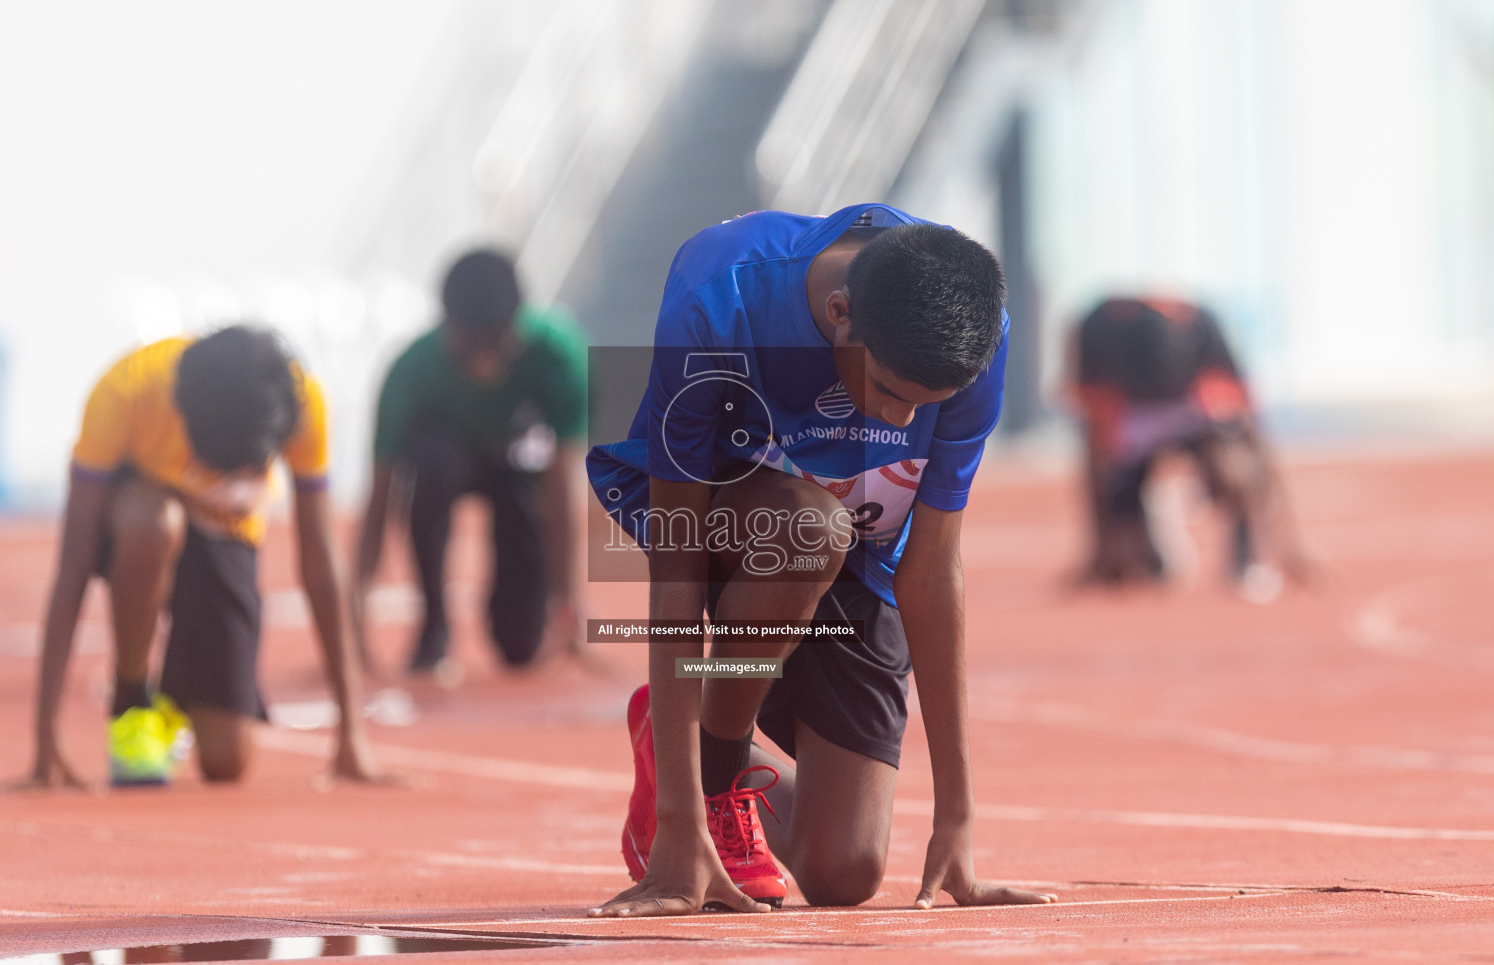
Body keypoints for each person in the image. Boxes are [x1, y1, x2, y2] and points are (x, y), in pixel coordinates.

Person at [586, 204, 1057, 915]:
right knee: (812, 527)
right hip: (729, 514)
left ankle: (675, 737)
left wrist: (956, 822)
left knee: (845, 873)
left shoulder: (972, 341)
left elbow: (930, 571)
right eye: (892, 392)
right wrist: (681, 825)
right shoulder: (721, 299)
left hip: (861, 543)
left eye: (925, 407)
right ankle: (710, 790)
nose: (900, 424)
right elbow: (677, 565)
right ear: (840, 312)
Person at [29, 325, 382, 787]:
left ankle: (174, 701)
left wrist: (351, 733)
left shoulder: (300, 403)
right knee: (153, 524)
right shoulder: (126, 392)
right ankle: (131, 700)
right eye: (219, 466)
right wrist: (45, 741)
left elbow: (320, 559)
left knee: (227, 762)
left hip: (226, 532)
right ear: (184, 419)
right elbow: (73, 563)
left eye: (248, 468)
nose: (228, 477)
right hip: (138, 522)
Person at [353, 249, 587, 677]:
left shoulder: (558, 357)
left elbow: (561, 486)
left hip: (518, 468)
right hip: (445, 464)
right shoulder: (411, 371)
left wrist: (568, 604)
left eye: (494, 340)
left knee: (521, 646)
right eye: (469, 343)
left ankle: (515, 611)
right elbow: (381, 496)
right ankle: (433, 625)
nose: (482, 359)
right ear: (446, 325)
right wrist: (356, 607)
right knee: (434, 460)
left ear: (517, 323)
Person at [1069, 296, 1306, 597]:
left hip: (1195, 413)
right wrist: (1100, 550)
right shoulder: (1100, 331)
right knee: (1118, 489)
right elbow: (1094, 443)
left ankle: (1246, 559)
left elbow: (1251, 434)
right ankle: (1147, 555)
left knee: (1234, 471)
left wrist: (1291, 546)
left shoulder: (1201, 331)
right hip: (1134, 418)